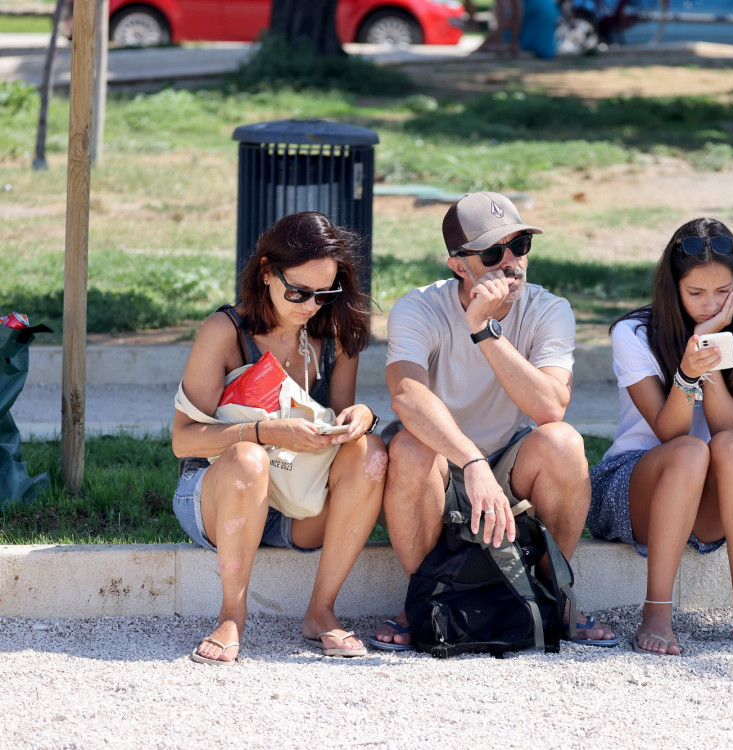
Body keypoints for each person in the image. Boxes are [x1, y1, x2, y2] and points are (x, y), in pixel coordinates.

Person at [370, 191, 618, 651]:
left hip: (508, 464)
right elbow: (406, 396)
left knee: (563, 443)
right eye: (492, 253)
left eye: (519, 245)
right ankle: (421, 602)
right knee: (408, 447)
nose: (511, 262)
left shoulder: (549, 309)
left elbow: (550, 407)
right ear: (458, 265)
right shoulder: (419, 307)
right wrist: (470, 461)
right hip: (444, 465)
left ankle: (556, 599)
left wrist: (483, 329)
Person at [172, 211, 386, 665]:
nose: (311, 305)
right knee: (248, 459)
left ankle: (321, 610)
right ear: (267, 272)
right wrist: (265, 431)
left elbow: (339, 432)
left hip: (298, 499)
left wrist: (360, 418)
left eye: (324, 294)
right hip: (218, 496)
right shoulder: (225, 332)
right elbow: (184, 441)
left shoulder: (337, 333)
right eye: (299, 292)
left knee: (370, 452)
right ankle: (231, 616)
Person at [588, 218, 733, 655]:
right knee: (688, 450)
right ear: (673, 289)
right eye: (696, 293)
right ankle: (656, 612)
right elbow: (670, 431)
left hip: (702, 491)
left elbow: (726, 426)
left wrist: (710, 350)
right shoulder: (633, 334)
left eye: (723, 292)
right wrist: (687, 373)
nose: (710, 305)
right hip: (631, 487)